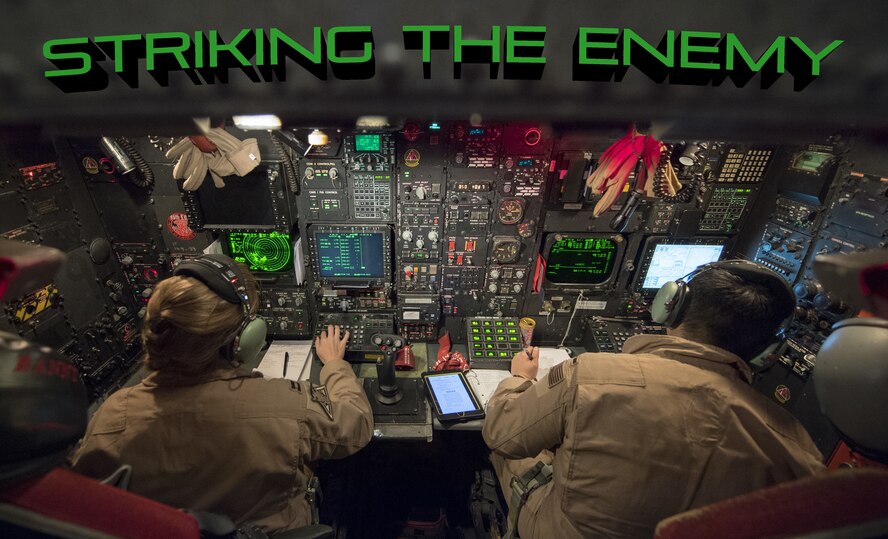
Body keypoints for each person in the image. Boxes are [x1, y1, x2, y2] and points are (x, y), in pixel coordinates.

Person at [482, 261, 825, 539]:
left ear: (670, 308)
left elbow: (502, 432)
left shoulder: (589, 374)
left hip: (563, 531)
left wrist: (520, 380)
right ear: (768, 353)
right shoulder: (798, 449)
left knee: (509, 448)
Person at [71, 255, 373, 534]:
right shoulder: (281, 405)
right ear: (240, 341)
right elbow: (356, 425)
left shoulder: (111, 417)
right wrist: (335, 365)